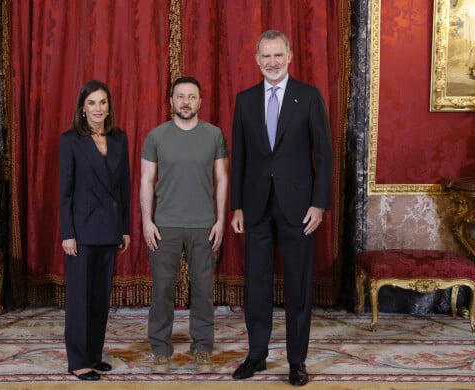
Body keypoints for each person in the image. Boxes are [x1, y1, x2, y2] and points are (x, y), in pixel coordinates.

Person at [230, 30, 333, 387]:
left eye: (278, 55)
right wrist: (237, 207)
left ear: (289, 56)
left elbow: (324, 155)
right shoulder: (244, 101)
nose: (272, 62)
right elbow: (239, 159)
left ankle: (296, 361)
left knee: (298, 288)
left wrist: (319, 204)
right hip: (256, 207)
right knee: (256, 285)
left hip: (299, 208)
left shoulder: (308, 97)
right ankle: (256, 355)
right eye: (266, 56)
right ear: (257, 60)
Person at [140, 76, 229, 374]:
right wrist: (146, 222)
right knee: (163, 289)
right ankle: (161, 349)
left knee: (203, 290)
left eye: (192, 96)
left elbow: (222, 179)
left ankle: (202, 347)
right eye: (180, 96)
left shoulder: (215, 135)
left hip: (204, 226)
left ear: (200, 101)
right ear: (171, 101)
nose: (186, 102)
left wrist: (220, 220)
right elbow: (146, 181)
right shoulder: (155, 136)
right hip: (165, 226)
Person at [59, 80, 131, 381]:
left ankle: (93, 355)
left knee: (101, 298)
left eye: (103, 103)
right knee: (80, 298)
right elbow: (65, 190)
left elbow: (124, 186)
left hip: (110, 227)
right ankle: (77, 360)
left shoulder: (119, 138)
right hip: (83, 229)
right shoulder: (70, 140)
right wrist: (68, 233)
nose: (98, 108)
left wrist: (125, 228)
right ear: (82, 108)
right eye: (92, 103)